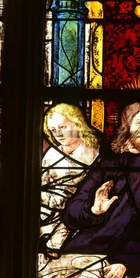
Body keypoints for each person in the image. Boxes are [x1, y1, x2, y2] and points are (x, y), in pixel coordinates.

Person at [61, 102, 140, 278]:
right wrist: (93, 210)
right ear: (126, 124)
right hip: (86, 249)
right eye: (139, 123)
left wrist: (126, 260)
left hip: (128, 255)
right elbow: (71, 213)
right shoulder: (108, 161)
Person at [40, 103, 99, 252]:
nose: (58, 134)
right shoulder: (52, 154)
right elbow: (41, 184)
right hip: (46, 212)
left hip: (80, 215)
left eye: (63, 127)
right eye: (53, 130)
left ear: (77, 123)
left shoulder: (95, 153)